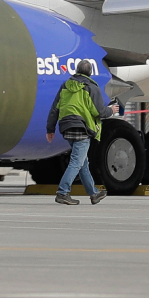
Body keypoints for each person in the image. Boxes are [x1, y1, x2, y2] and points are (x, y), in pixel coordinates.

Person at [45, 60, 106, 207]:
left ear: (77, 70)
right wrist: (113, 111)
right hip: (82, 128)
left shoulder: (65, 86)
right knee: (76, 162)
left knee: (82, 162)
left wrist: (50, 129)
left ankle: (93, 193)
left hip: (66, 127)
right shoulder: (91, 87)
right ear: (90, 72)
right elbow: (100, 112)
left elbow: (55, 109)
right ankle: (62, 192)